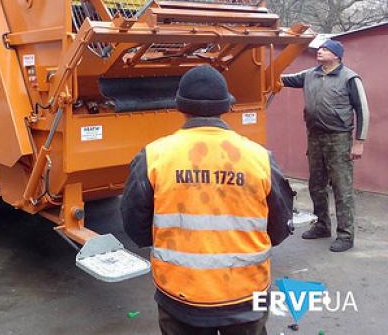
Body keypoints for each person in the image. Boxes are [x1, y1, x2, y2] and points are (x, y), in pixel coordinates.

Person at [121, 65, 294, 335]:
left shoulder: (154, 156)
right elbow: (281, 226)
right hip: (245, 297)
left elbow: (135, 225)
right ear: (226, 106)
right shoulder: (259, 158)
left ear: (180, 106)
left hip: (179, 297)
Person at [281, 39, 369, 253]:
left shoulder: (349, 78)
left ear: (337, 55)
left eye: (325, 49)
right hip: (315, 137)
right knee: (316, 185)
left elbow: (363, 110)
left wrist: (359, 142)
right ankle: (322, 225)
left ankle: (346, 235)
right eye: (319, 48)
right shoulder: (310, 74)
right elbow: (281, 79)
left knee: (342, 188)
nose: (319, 51)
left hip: (339, 138)